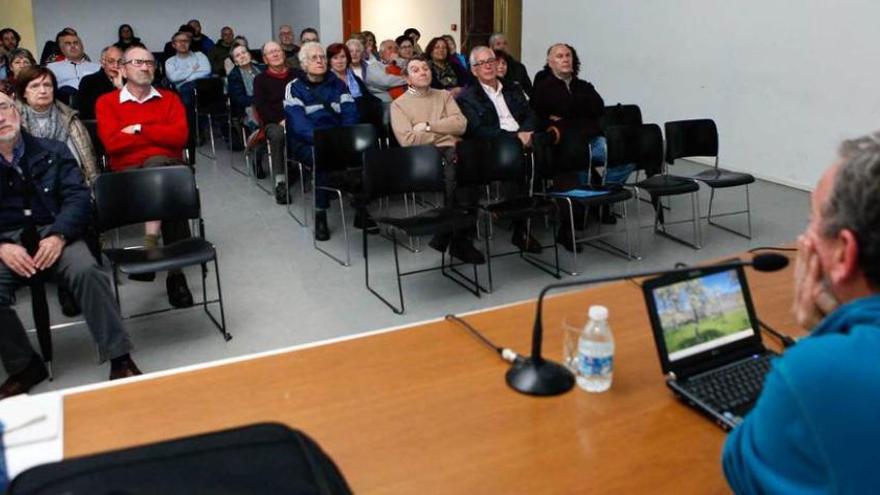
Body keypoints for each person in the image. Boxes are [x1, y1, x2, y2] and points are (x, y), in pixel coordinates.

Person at [722, 132, 880, 494]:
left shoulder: (815, 369)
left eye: (813, 221)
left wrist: (823, 339)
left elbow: (740, 465)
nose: (804, 238)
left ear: (844, 253)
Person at [0, 91, 142, 398]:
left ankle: (120, 358)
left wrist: (59, 235)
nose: (0, 117)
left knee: (88, 271)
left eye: (3, 108)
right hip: (6, 242)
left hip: (56, 232)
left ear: (16, 111)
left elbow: (79, 198)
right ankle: (24, 366)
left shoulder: (53, 150)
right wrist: (1, 247)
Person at [95, 46, 195, 308]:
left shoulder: (170, 98)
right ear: (124, 68)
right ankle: (175, 273)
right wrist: (157, 134)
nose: (145, 67)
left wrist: (138, 129)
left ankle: (154, 252)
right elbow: (112, 144)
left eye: (150, 62)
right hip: (127, 179)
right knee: (164, 178)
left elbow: (180, 138)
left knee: (162, 172)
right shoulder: (107, 103)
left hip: (167, 170)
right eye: (138, 62)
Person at [390, 56, 482, 264]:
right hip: (424, 156)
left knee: (465, 168)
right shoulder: (399, 105)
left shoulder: (444, 96)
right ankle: (458, 237)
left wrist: (428, 126)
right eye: (416, 70)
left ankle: (450, 233)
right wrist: (445, 132)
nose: (423, 72)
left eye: (425, 68)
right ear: (407, 78)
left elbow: (461, 125)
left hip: (452, 151)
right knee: (462, 171)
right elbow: (408, 140)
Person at [457, 46, 542, 253]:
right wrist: (515, 139)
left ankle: (543, 215)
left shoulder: (513, 87)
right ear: (474, 70)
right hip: (494, 146)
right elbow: (478, 129)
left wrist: (525, 132)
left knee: (551, 144)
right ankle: (520, 229)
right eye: (481, 63)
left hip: (524, 139)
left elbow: (531, 114)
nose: (488, 66)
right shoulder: (467, 96)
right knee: (514, 160)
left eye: (491, 60)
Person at [283, 42, 360, 241]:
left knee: (364, 151)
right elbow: (299, 126)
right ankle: (320, 214)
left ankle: (361, 208)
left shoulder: (338, 84)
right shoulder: (294, 88)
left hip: (338, 138)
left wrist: (344, 138)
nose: (320, 61)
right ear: (303, 65)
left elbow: (350, 113)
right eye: (314, 58)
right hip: (308, 142)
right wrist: (326, 142)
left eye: (322, 57)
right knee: (323, 158)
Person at [15, 66, 98, 186]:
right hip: (33, 193)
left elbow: (88, 163)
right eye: (35, 86)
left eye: (47, 85)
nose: (43, 91)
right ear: (24, 93)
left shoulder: (71, 120)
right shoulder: (15, 123)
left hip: (74, 187)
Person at [253, 41, 302, 203]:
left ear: (283, 54)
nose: (275, 54)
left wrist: (295, 118)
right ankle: (280, 182)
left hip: (298, 117)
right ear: (265, 59)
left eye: (277, 51)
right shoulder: (260, 79)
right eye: (270, 52)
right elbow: (262, 107)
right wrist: (280, 120)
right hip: (274, 121)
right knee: (278, 135)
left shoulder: (297, 74)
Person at [327, 43, 382, 130]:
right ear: (330, 61)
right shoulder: (327, 81)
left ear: (347, 58)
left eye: (342, 57)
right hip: (341, 123)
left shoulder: (355, 79)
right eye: (335, 58)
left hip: (364, 122)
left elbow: (368, 98)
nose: (340, 61)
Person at [46, 30, 100, 99]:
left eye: (76, 43)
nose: (73, 46)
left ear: (82, 46)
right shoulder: (52, 67)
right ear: (62, 49)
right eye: (68, 44)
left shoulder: (97, 67)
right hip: (66, 104)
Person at [164, 30, 211, 108]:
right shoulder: (170, 61)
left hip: (204, 86)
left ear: (189, 43)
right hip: (184, 89)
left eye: (185, 41)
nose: (183, 43)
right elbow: (173, 78)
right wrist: (192, 69)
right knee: (187, 90)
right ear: (173, 45)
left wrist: (185, 77)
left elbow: (207, 71)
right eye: (179, 41)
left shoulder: (200, 55)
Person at [76, 45, 124, 120]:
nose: (116, 65)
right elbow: (86, 111)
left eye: (120, 62)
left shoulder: (130, 81)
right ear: (102, 63)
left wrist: (121, 88)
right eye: (111, 61)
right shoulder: (89, 81)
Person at [227, 44, 264, 140]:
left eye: (244, 52)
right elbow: (239, 99)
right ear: (235, 62)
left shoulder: (262, 68)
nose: (242, 56)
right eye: (238, 55)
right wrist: (259, 100)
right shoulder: (234, 76)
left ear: (250, 55)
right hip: (249, 107)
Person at [364, 39, 406, 121]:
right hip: (385, 107)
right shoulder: (374, 66)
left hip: (406, 104)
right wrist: (406, 79)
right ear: (381, 53)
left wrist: (398, 61)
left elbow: (414, 73)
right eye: (390, 48)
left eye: (396, 48)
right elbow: (386, 81)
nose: (394, 51)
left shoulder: (402, 64)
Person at [489, 32, 532, 97]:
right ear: (491, 48)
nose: (502, 46)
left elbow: (529, 92)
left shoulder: (519, 67)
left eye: (505, 43)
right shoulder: (486, 67)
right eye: (498, 44)